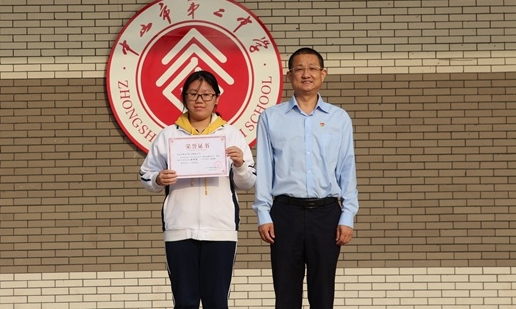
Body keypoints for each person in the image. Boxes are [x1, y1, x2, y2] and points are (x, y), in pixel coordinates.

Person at [140, 70, 256, 309]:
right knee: (185, 302)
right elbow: (146, 176)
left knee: (217, 302)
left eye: (206, 94)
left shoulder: (231, 134)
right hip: (179, 229)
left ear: (217, 98)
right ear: (183, 97)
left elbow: (248, 183)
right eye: (193, 94)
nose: (199, 100)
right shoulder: (168, 135)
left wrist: (240, 165)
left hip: (220, 230)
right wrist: (158, 179)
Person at [253, 47, 358, 309]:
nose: (306, 74)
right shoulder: (271, 118)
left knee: (323, 294)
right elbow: (264, 169)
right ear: (289, 75)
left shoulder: (339, 118)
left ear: (323, 74)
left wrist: (347, 216)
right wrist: (263, 213)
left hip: (326, 214)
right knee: (286, 294)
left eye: (312, 68)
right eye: (299, 69)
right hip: (284, 213)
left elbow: (347, 169)